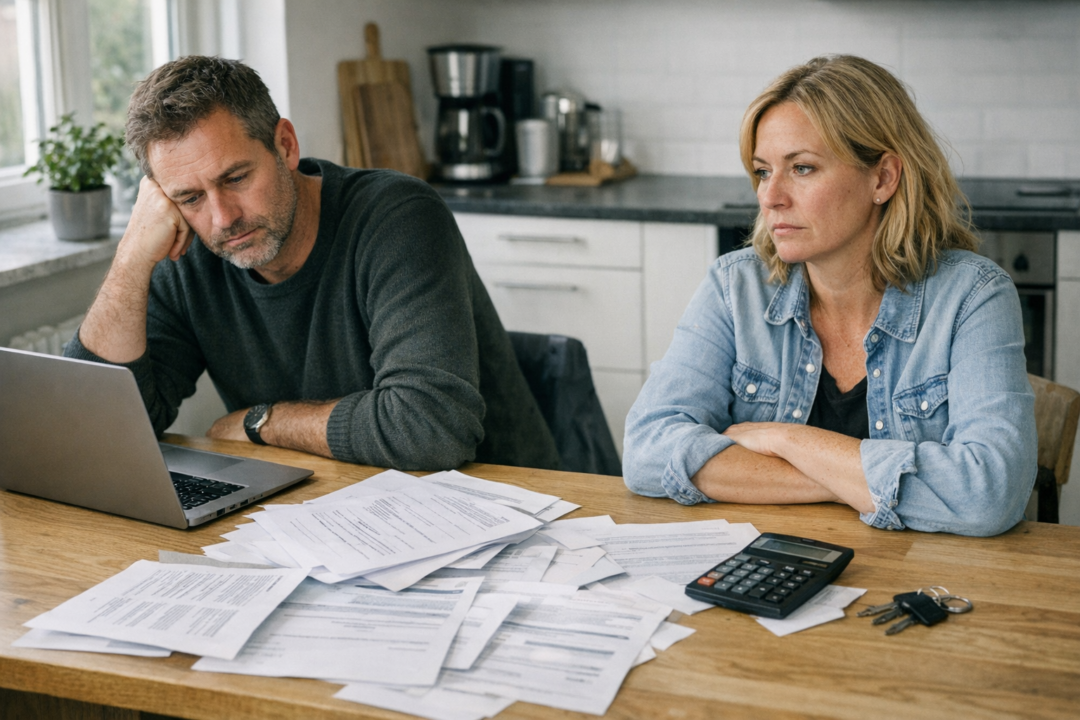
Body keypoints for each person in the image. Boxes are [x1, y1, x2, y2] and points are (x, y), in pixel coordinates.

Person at [64, 55, 560, 472]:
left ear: (285, 145)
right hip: (320, 514)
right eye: (190, 197)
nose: (223, 218)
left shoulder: (397, 217)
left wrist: (261, 422)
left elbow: (430, 429)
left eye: (236, 178)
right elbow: (92, 430)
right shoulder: (193, 245)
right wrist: (132, 256)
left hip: (498, 510)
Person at [622, 55, 1036, 536]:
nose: (770, 197)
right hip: (771, 565)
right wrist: (844, 480)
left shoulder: (973, 296)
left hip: (922, 571)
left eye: (802, 168)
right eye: (762, 171)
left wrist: (786, 439)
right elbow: (647, 451)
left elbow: (988, 493)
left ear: (883, 178)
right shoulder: (735, 287)